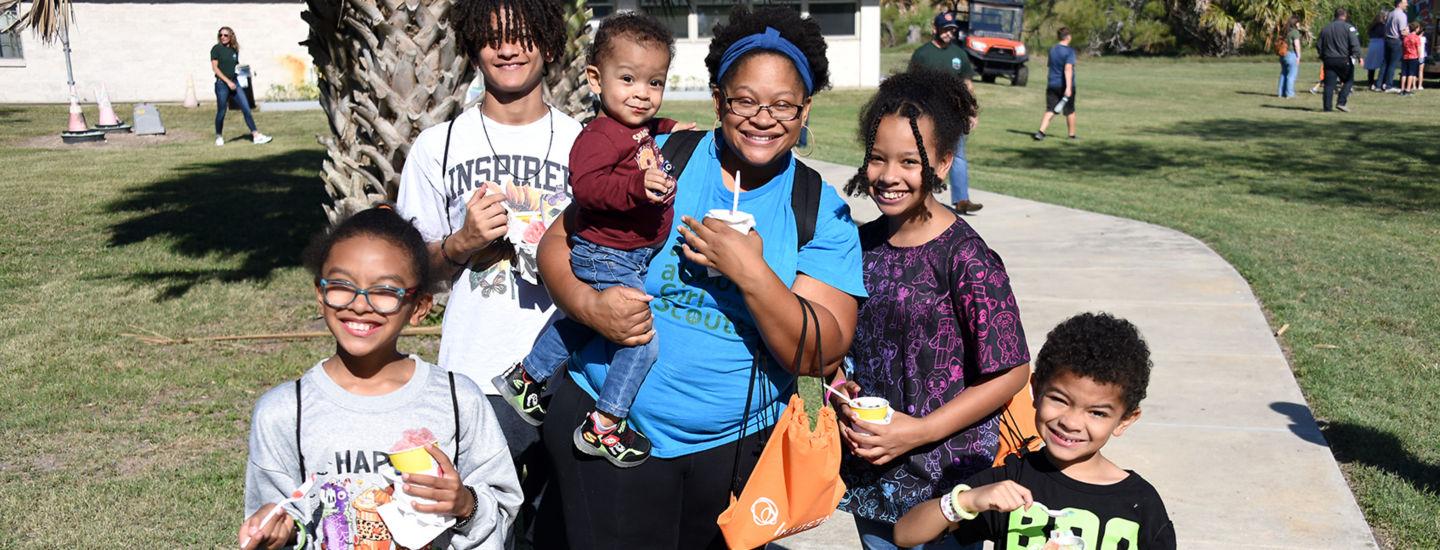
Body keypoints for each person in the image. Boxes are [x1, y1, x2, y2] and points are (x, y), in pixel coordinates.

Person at [536, 6, 867, 547]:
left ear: (805, 111)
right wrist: (588, 307)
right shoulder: (658, 158)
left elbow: (820, 355)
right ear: (718, 101)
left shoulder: (818, 210)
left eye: (784, 104)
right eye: (745, 100)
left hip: (732, 450)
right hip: (608, 429)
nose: (764, 117)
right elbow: (558, 240)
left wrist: (753, 274)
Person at [395, 0, 582, 545]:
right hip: (477, 378)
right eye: (493, 36)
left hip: (572, 374)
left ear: (548, 45)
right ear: (474, 45)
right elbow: (410, 273)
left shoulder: (584, 145)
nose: (508, 48)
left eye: (523, 35)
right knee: (476, 531)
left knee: (560, 533)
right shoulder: (439, 146)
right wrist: (461, 243)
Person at [238, 207, 522, 550]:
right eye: (343, 285)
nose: (360, 304)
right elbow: (275, 519)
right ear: (319, 291)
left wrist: (465, 505)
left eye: (385, 291)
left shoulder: (458, 399)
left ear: (419, 306)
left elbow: (503, 506)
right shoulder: (283, 412)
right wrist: (276, 531)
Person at [835, 68, 1031, 550]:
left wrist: (918, 432)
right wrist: (841, 386)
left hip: (948, 483)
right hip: (875, 473)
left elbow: (1012, 371)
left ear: (942, 163)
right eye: (877, 159)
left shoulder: (966, 257)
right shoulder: (861, 245)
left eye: (909, 160)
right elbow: (850, 343)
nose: (888, 176)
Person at [493, 12, 679, 469]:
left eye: (655, 83)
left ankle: (526, 378)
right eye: (629, 79)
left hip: (622, 254)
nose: (642, 93)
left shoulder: (634, 128)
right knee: (640, 343)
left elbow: (644, 134)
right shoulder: (598, 137)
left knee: (581, 322)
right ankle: (605, 424)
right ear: (596, 79)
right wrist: (639, 187)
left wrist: (672, 128)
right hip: (609, 256)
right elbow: (589, 187)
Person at [893, 313, 1176, 550]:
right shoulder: (1011, 480)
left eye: (1097, 412)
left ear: (1125, 420)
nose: (1072, 422)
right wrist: (966, 499)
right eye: (1060, 400)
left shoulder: (1141, 505)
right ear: (1036, 390)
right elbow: (905, 534)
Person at [909, 11, 982, 214]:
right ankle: (920, 195)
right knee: (925, 154)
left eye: (952, 30)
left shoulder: (959, 54)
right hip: (928, 114)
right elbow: (910, 84)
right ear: (935, 29)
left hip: (954, 114)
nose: (949, 33)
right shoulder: (922, 54)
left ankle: (962, 200)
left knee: (958, 156)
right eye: (945, 29)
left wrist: (972, 111)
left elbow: (967, 84)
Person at [210, 26, 272, 146]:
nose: (223, 37)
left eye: (225, 35)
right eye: (220, 35)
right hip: (222, 84)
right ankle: (219, 136)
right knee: (221, 111)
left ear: (231, 36)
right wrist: (228, 82)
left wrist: (244, 73)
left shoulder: (234, 50)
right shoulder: (216, 49)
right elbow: (215, 69)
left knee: (246, 108)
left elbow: (234, 67)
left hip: (235, 83)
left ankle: (256, 135)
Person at [1033, 28, 1076, 141]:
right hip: (1064, 85)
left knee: (1050, 109)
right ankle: (1071, 135)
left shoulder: (1052, 49)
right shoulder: (1070, 51)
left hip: (1052, 83)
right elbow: (1068, 69)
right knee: (1070, 110)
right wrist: (1068, 87)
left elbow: (1050, 65)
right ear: (1068, 37)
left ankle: (1041, 132)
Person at [1318, 8, 1363, 112]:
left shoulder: (1325, 28)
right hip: (1343, 59)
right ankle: (1341, 102)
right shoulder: (1349, 28)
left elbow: (1319, 45)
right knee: (1348, 80)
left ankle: (1327, 107)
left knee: (1329, 85)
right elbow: (1354, 43)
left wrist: (1323, 56)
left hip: (1329, 59)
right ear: (1345, 15)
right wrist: (1358, 56)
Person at [1381, 0, 1411, 92]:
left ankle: (1380, 84)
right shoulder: (1401, 15)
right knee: (1392, 64)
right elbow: (1403, 32)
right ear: (1399, 3)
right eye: (1405, 2)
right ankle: (1389, 86)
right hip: (1396, 40)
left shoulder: (1391, 13)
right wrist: (1408, 32)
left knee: (1385, 63)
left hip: (1387, 39)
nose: (1407, 4)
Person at [1278, 15, 1302, 98]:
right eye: (1299, 22)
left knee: (1283, 74)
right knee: (1291, 75)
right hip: (1291, 54)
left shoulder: (1284, 31)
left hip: (1282, 54)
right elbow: (1297, 45)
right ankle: (1290, 93)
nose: (1299, 24)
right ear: (1295, 23)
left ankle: (1281, 93)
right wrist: (1298, 56)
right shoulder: (1295, 32)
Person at [1365, 10, 1389, 89]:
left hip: (1372, 44)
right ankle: (1382, 81)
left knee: (1372, 65)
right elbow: (1384, 35)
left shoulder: (1372, 26)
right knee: (1383, 63)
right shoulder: (1382, 26)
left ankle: (1370, 82)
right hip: (1380, 43)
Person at [1400, 22, 1422, 94]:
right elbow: (1418, 48)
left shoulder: (1406, 37)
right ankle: (1408, 89)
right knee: (1411, 74)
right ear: (1416, 29)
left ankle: (1402, 89)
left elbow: (1403, 47)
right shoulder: (1416, 38)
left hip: (1405, 57)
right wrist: (1420, 57)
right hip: (1413, 57)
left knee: (1404, 74)